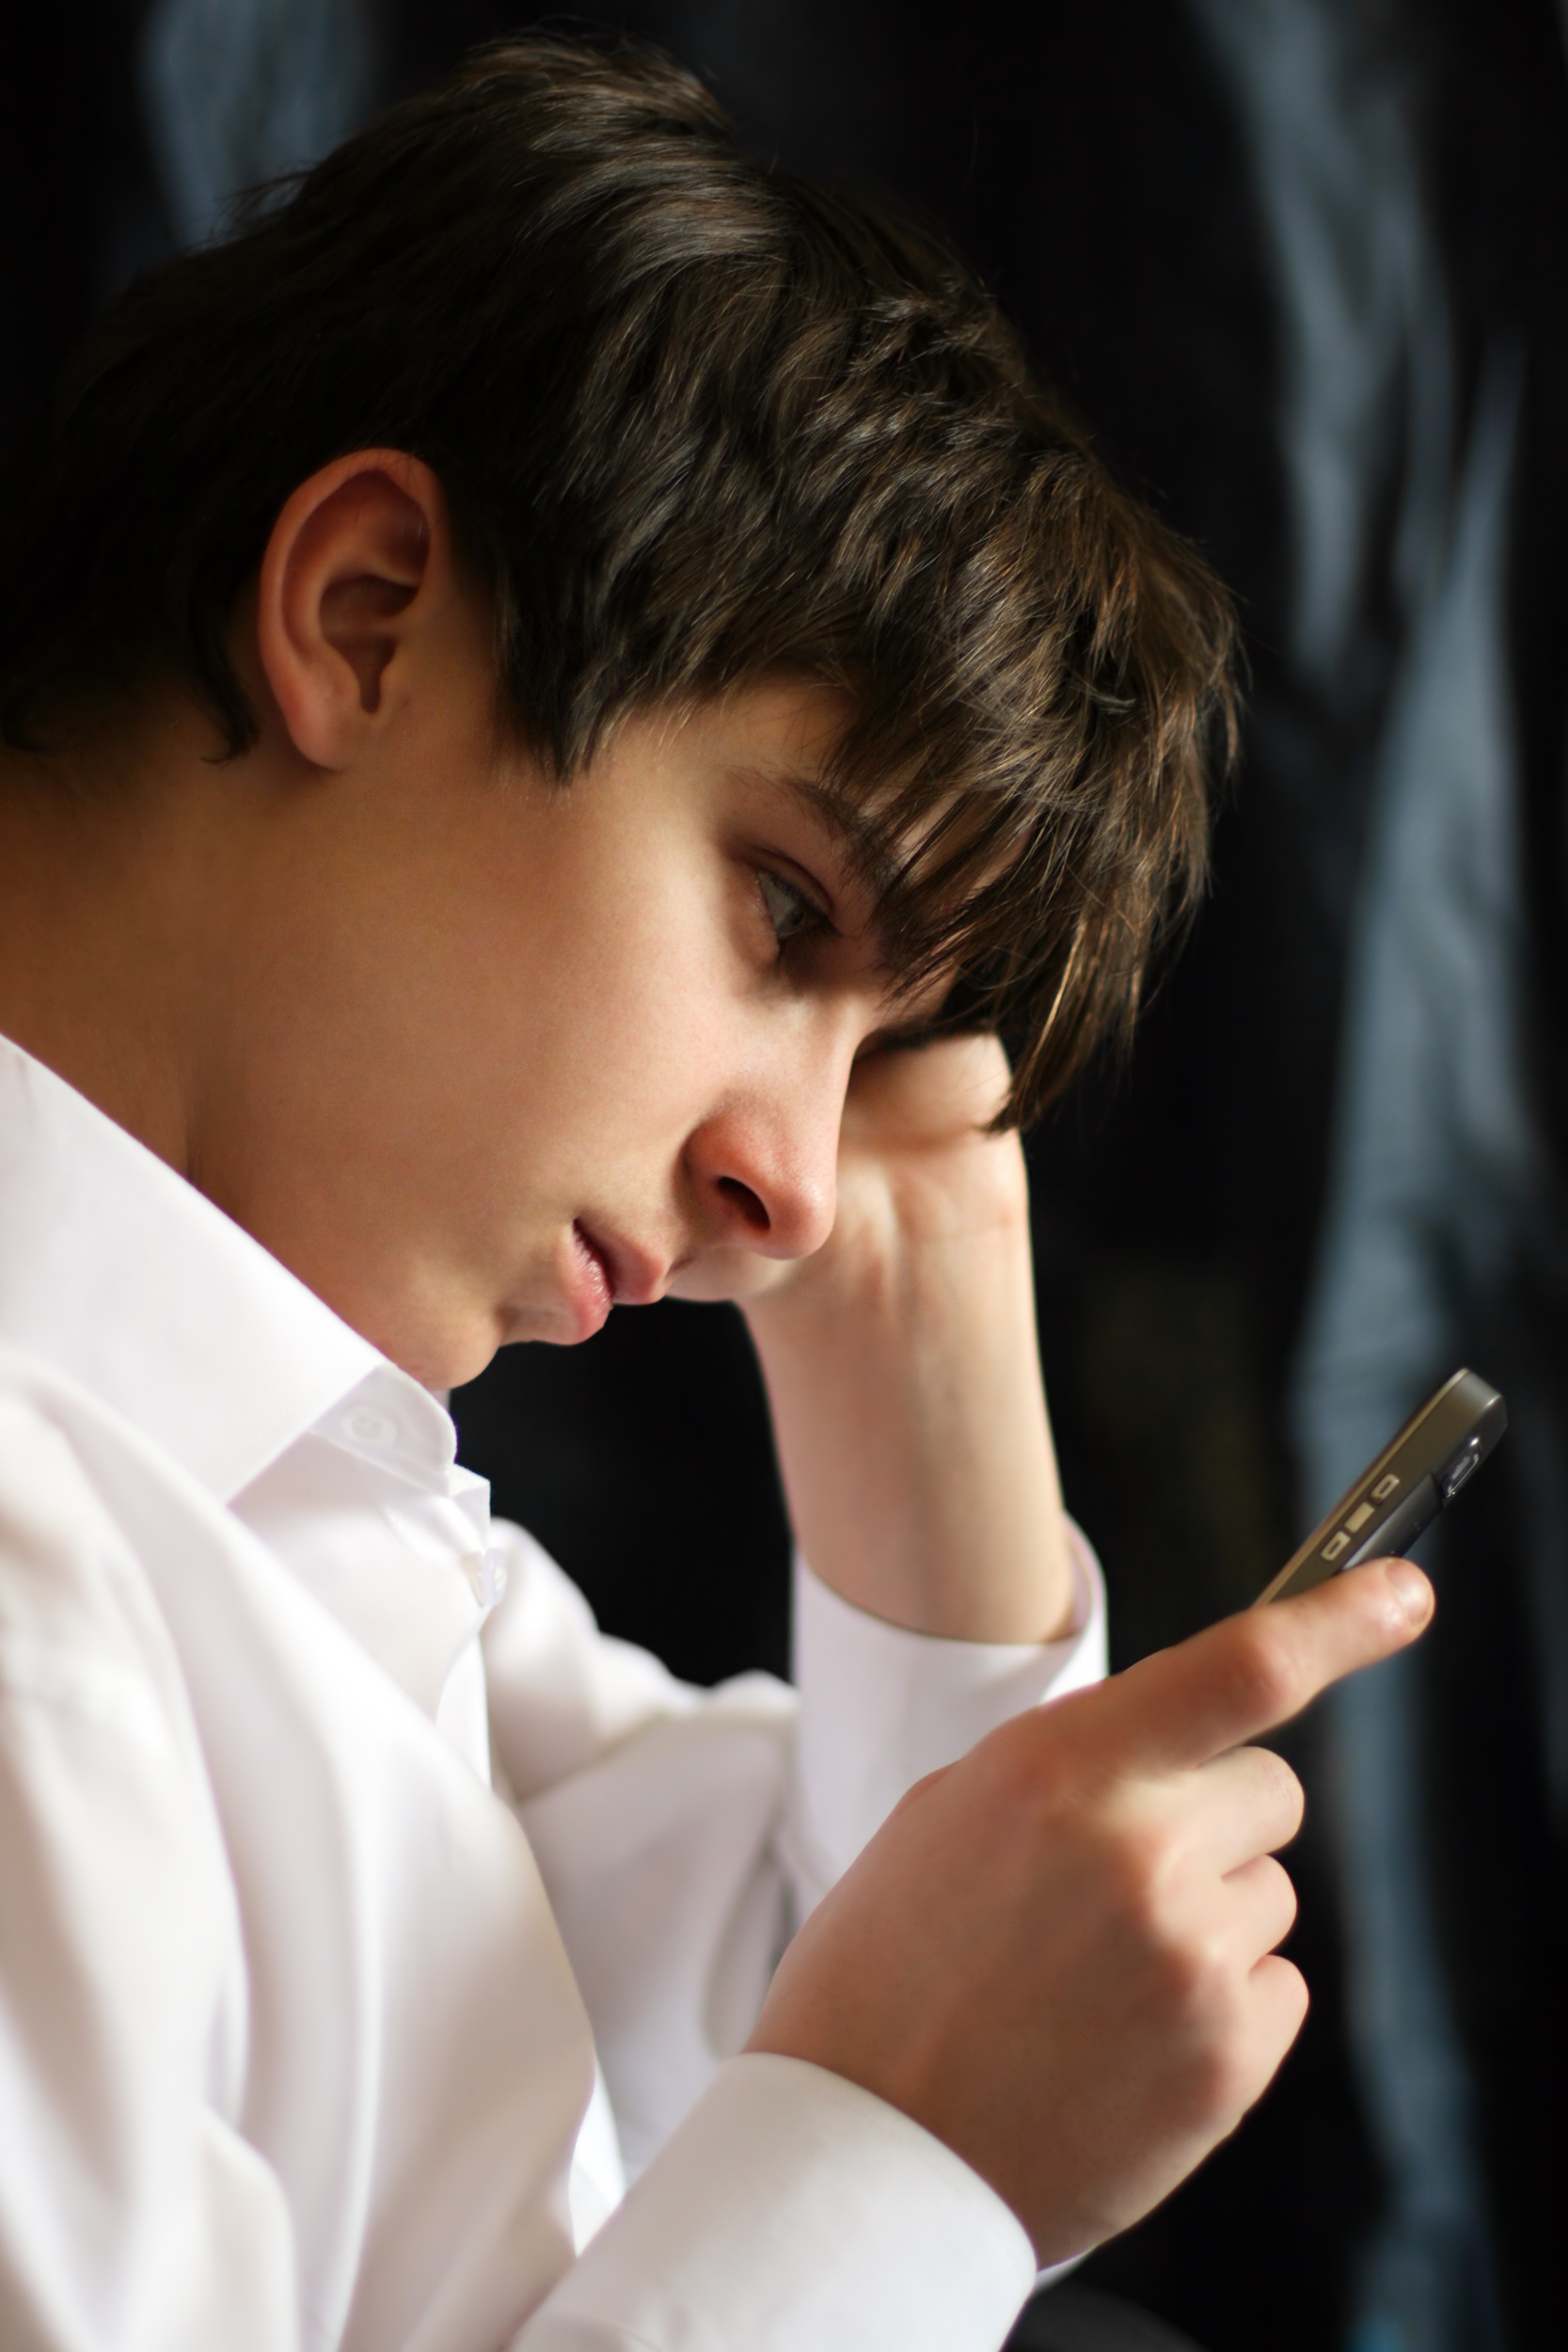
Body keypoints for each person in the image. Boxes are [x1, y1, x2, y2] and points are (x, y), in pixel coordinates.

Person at [0, 35, 1434, 2352]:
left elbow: (821, 1977)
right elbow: (865, 2101)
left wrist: (933, 1265)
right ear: (365, 614)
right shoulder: (47, 1580)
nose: (787, 1183)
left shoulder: (319, 1518)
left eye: (875, 1051)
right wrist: (908, 2154)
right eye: (782, 912)